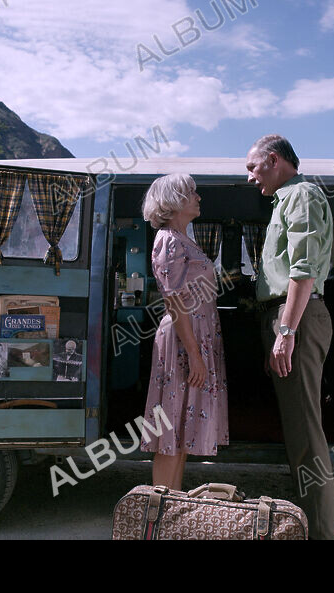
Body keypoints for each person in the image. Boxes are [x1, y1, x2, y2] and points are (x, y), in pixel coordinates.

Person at [246, 134, 334, 539]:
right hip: (290, 318)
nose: (251, 178)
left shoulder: (301, 196)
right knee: (298, 432)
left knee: (305, 435)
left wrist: (286, 331)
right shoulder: (285, 200)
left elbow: (303, 270)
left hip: (296, 317)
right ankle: (309, 525)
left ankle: (322, 532)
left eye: (252, 168)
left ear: (273, 160)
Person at [139, 173, 229, 491]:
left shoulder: (183, 239)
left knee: (179, 430)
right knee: (170, 430)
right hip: (182, 339)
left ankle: (171, 509)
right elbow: (174, 301)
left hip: (193, 337)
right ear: (174, 200)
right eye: (192, 192)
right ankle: (160, 512)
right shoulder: (168, 239)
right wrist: (194, 354)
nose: (198, 197)